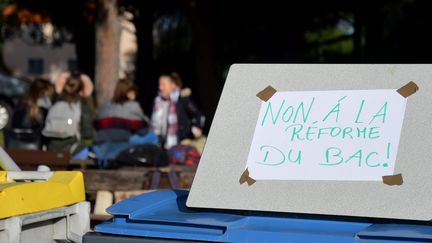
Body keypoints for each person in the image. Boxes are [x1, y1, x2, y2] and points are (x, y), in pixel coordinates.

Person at [42, 73, 94, 154]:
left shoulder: (55, 104)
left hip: (51, 147)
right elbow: (87, 132)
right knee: (91, 143)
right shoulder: (81, 106)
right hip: (73, 149)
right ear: (82, 90)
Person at [151, 72, 205, 149]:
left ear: (172, 85)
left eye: (163, 85)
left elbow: (197, 114)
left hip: (182, 142)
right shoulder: (158, 101)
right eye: (159, 84)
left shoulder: (182, 99)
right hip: (164, 144)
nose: (160, 87)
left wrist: (197, 127)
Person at [7, 78, 54, 149]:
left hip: (14, 145)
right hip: (35, 146)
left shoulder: (21, 102)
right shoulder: (44, 105)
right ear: (44, 91)